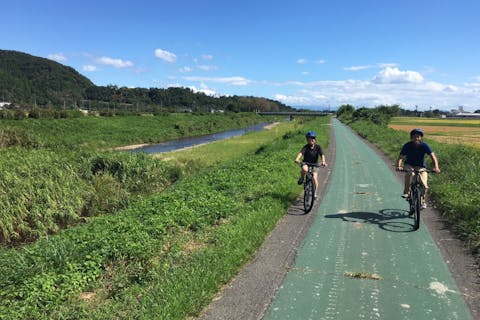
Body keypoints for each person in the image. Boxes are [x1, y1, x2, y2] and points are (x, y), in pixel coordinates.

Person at [396, 128, 440, 209]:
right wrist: (398, 166)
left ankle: (422, 202)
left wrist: (436, 167)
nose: (416, 138)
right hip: (409, 165)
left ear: (421, 138)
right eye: (414, 136)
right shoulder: (407, 145)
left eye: (418, 137)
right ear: (411, 137)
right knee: (411, 173)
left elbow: (433, 156)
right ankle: (406, 192)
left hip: (421, 167)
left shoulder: (424, 145)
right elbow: (401, 157)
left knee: (424, 185)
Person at [294, 131, 327, 198]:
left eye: (313, 138)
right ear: (307, 139)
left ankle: (314, 193)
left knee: (314, 178)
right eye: (309, 138)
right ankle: (302, 178)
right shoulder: (306, 147)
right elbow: (301, 153)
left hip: (315, 165)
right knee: (304, 169)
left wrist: (323, 161)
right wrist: (297, 159)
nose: (311, 140)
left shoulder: (318, 147)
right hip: (306, 163)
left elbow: (322, 155)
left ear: (315, 139)